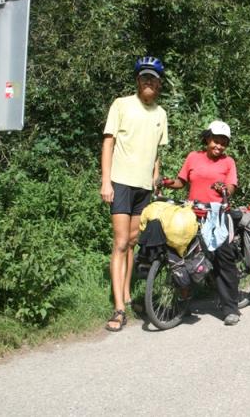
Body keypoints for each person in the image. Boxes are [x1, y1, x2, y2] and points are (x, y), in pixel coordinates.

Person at [101, 56, 168, 332]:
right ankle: (118, 309)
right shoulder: (122, 104)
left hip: (143, 187)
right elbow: (108, 142)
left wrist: (155, 174)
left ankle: (127, 294)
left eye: (153, 78)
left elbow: (157, 151)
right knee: (119, 243)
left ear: (159, 83)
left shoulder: (161, 114)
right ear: (137, 81)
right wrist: (106, 181)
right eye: (144, 77)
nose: (148, 82)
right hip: (121, 183)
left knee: (132, 242)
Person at [160, 120, 242, 326]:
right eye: (216, 141)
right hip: (192, 215)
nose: (219, 146)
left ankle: (231, 308)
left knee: (224, 259)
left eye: (223, 143)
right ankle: (183, 301)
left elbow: (231, 187)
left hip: (217, 216)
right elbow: (181, 182)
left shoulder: (228, 162)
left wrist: (224, 188)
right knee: (183, 257)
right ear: (207, 139)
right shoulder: (193, 157)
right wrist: (168, 182)